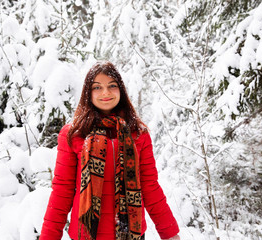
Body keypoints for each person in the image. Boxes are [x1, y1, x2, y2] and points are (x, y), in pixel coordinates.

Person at [39, 61, 180, 240]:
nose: (105, 92)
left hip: (132, 234)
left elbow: (150, 187)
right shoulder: (73, 134)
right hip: (86, 235)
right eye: (97, 87)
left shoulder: (138, 134)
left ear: (120, 90)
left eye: (112, 86)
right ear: (88, 93)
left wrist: (170, 233)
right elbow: (62, 191)